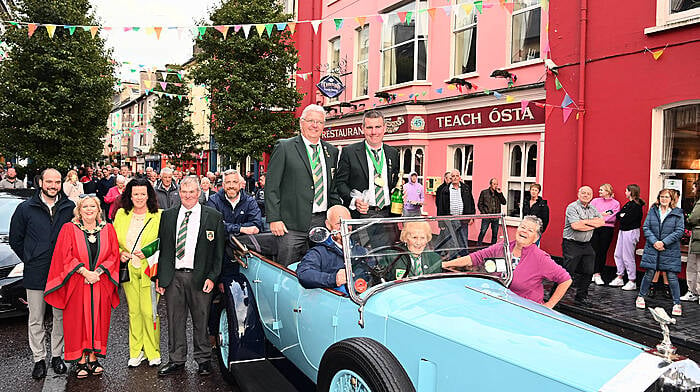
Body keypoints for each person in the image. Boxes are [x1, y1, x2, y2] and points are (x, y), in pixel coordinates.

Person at [44, 196, 120, 379]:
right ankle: (79, 361)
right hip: (77, 283)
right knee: (77, 322)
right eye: (84, 206)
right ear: (79, 210)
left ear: (98, 209)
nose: (88, 209)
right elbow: (65, 255)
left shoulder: (108, 229)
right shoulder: (69, 229)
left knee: (98, 319)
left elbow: (113, 254)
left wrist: (98, 273)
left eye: (92, 206)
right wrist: (85, 272)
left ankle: (93, 358)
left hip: (100, 283)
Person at [155, 176, 225, 377]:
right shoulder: (168, 216)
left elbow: (218, 253)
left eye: (192, 192)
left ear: (199, 193)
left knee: (201, 320)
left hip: (200, 277)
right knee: (175, 320)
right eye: (184, 192)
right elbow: (164, 249)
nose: (188, 196)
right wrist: (161, 277)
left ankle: (203, 360)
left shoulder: (213, 216)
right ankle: (176, 359)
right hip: (173, 276)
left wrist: (212, 277)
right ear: (179, 193)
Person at [9, 168, 74, 379]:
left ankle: (57, 356)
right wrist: (30, 257)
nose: (53, 186)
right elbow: (15, 239)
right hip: (35, 272)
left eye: (57, 182)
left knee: (60, 316)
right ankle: (39, 359)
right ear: (41, 182)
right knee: (35, 318)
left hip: (61, 273)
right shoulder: (25, 208)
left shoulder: (69, 207)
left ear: (61, 183)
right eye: (49, 182)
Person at [266, 104, 341, 265]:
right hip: (290, 226)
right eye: (311, 121)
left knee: (320, 267)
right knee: (287, 271)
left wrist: (337, 217)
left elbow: (332, 189)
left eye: (319, 122)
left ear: (324, 126)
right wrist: (274, 219)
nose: (315, 125)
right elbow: (272, 186)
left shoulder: (331, 151)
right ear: (301, 123)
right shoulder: (285, 147)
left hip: (322, 224)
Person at [444, 216, 572, 308]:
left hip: (526, 310)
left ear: (536, 238)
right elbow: (474, 258)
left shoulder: (540, 257)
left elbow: (566, 279)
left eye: (530, 230)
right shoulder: (503, 247)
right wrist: (445, 264)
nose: (524, 231)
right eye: (523, 227)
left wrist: (549, 306)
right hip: (499, 304)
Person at [112, 178, 163, 368]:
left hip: (151, 269)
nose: (139, 197)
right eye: (136, 194)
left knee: (150, 311)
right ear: (129, 196)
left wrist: (148, 251)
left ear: (149, 195)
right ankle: (136, 351)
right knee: (134, 312)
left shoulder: (159, 215)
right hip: (129, 270)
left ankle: (153, 351)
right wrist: (120, 253)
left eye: (143, 194)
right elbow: (113, 242)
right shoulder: (121, 215)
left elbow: (165, 242)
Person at [335, 109, 400, 220]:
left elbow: (394, 183)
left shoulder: (393, 153)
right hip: (361, 215)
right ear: (363, 129)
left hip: (387, 215)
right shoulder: (349, 152)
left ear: (384, 128)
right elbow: (340, 183)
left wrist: (398, 191)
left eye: (378, 127)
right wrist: (354, 201)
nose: (374, 132)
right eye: (369, 127)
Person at [636, 189, 685, 316]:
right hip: (653, 247)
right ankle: (641, 296)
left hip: (669, 249)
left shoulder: (677, 213)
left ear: (671, 199)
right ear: (659, 198)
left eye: (667, 197)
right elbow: (646, 227)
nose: (664, 199)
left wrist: (663, 243)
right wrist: (655, 242)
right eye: (662, 196)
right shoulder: (653, 211)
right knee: (649, 273)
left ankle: (677, 304)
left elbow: (679, 231)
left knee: (672, 276)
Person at [560, 186, 605, 305]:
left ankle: (581, 297)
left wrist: (584, 222)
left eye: (588, 193)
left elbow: (601, 222)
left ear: (591, 196)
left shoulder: (593, 209)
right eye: (583, 193)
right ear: (578, 194)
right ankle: (556, 295)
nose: (586, 195)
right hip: (571, 243)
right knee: (568, 271)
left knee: (588, 270)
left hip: (586, 244)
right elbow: (575, 226)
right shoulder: (572, 207)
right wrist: (592, 224)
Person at [297, 205, 352, 291]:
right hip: (336, 300)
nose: (345, 227)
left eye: (348, 223)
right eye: (339, 223)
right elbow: (304, 274)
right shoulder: (319, 252)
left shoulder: (358, 249)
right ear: (328, 225)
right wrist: (333, 279)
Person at [609, 184, 645, 291]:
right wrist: (622, 216)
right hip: (623, 231)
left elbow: (626, 219)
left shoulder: (636, 206)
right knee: (618, 254)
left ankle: (632, 280)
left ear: (630, 192)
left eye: (626, 191)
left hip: (631, 231)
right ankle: (620, 276)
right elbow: (619, 215)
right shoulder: (628, 204)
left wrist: (622, 216)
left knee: (628, 256)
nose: (625, 193)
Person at [436, 170, 475, 253]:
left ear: (459, 177)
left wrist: (472, 217)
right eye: (453, 176)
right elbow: (440, 207)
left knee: (463, 240)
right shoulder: (445, 190)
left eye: (457, 176)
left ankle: (464, 259)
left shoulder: (466, 188)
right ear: (451, 178)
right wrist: (441, 222)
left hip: (463, 219)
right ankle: (452, 259)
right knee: (451, 241)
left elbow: (471, 203)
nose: (455, 178)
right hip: (450, 220)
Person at [589, 184, 621, 285]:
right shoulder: (595, 201)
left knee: (602, 251)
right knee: (593, 250)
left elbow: (612, 216)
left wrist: (599, 216)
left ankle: (598, 274)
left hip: (607, 229)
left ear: (607, 191)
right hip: (594, 228)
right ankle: (592, 272)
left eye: (601, 190)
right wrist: (602, 214)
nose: (599, 192)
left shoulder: (615, 203)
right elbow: (590, 213)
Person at [681, 180, 700, 303]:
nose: (692, 191)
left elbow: (693, 218)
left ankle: (694, 292)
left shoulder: (699, 203)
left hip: (697, 238)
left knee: (695, 266)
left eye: (694, 188)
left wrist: (687, 218)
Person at [477, 178, 507, 246]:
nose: (496, 186)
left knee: (495, 233)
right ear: (490, 184)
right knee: (483, 231)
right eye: (494, 184)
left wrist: (500, 194)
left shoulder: (498, 194)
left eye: (497, 184)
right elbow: (479, 204)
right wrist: (484, 213)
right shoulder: (484, 192)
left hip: (495, 217)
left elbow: (504, 202)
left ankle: (492, 247)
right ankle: (478, 245)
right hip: (486, 216)